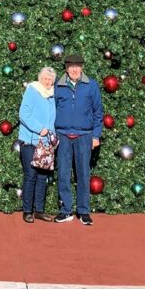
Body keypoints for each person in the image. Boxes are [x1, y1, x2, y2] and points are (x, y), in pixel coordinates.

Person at [53, 53, 103, 225]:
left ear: (82, 67)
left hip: (84, 136)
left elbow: (98, 112)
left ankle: (83, 211)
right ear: (66, 68)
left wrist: (96, 135)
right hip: (63, 135)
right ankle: (65, 210)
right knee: (64, 174)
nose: (74, 69)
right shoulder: (57, 86)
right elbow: (52, 110)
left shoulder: (91, 85)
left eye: (77, 66)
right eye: (70, 66)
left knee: (83, 174)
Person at [17, 67, 57, 223]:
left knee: (42, 177)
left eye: (50, 79)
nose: (47, 82)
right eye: (45, 78)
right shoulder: (32, 91)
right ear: (40, 79)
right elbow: (24, 114)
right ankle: (27, 211)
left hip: (46, 144)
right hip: (30, 142)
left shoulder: (53, 95)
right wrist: (39, 128)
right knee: (31, 176)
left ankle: (39, 210)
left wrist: (52, 136)